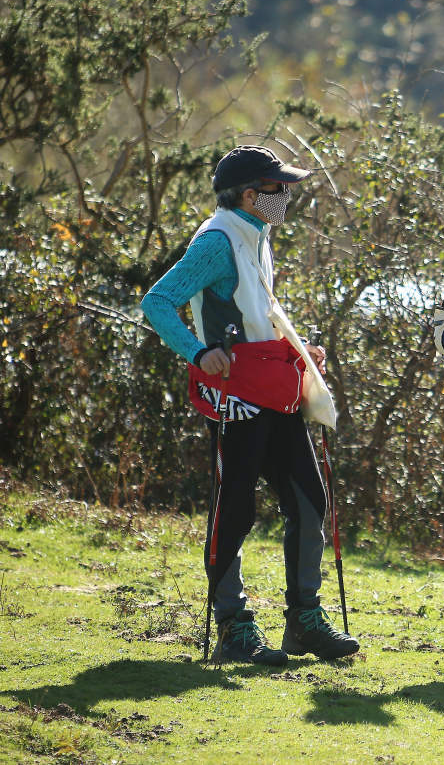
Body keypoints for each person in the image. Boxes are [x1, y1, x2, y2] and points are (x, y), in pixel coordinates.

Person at [140, 145, 360, 665]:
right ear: (247, 194)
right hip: (236, 395)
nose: (286, 196)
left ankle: (304, 622)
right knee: (235, 510)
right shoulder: (217, 240)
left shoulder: (254, 234)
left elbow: (257, 311)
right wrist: (197, 351)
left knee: (311, 501)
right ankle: (235, 628)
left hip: (274, 388)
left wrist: (301, 348)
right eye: (276, 188)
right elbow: (157, 301)